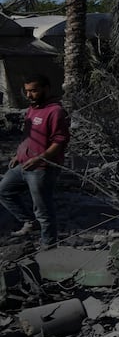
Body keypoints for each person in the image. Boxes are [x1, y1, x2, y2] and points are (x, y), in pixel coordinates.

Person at [1, 74, 71, 248]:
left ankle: (48, 245)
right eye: (27, 91)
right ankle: (29, 222)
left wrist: (39, 158)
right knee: (4, 191)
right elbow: (29, 137)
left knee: (43, 209)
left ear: (46, 89)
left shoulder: (55, 111)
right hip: (23, 164)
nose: (29, 95)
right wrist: (19, 155)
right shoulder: (32, 109)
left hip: (42, 168)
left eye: (34, 90)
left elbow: (59, 142)